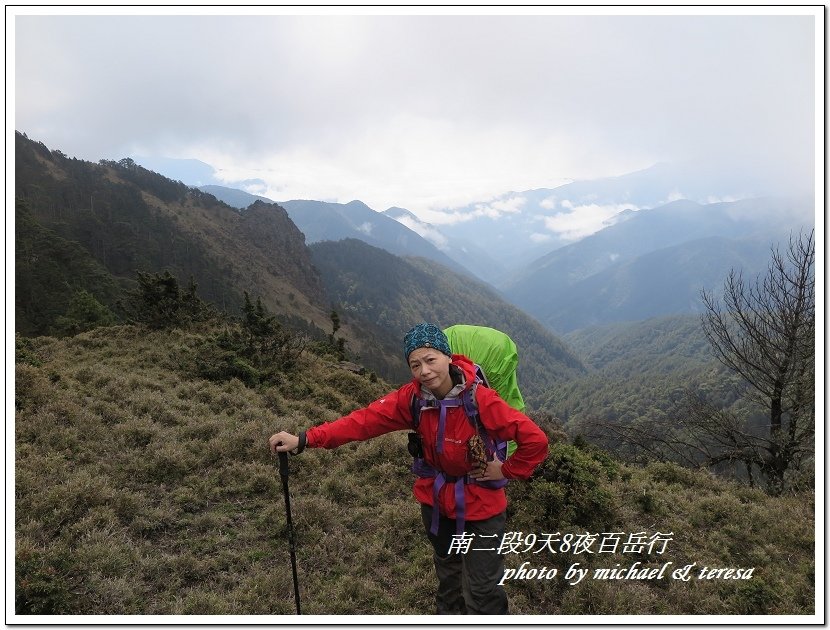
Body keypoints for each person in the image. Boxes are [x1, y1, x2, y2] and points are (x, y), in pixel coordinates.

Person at [269, 322, 549, 615]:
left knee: (483, 590)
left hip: (482, 506)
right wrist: (305, 439)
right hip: (438, 503)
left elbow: (535, 440)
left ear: (448, 357)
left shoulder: (480, 400)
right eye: (415, 364)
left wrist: (505, 471)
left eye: (431, 360)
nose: (424, 371)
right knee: (449, 580)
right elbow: (362, 422)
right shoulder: (412, 399)